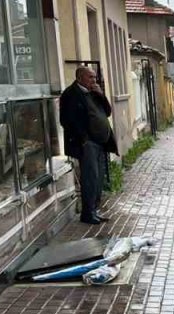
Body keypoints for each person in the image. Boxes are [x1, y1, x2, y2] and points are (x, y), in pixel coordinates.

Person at [59, 67, 118, 225]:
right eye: (90, 77)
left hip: (101, 142)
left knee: (98, 178)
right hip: (87, 143)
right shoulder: (71, 94)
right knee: (90, 178)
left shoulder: (93, 92)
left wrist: (101, 95)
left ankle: (94, 209)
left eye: (94, 77)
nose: (94, 80)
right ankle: (87, 213)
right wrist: (83, 138)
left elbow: (107, 112)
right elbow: (66, 120)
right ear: (80, 78)